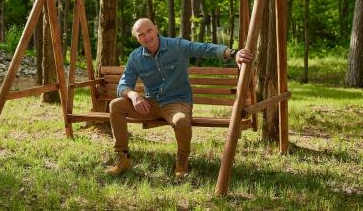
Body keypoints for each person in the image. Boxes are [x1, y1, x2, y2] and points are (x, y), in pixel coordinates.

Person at [106, 18, 253, 178]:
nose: (147, 36)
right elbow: (123, 85)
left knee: (181, 120)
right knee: (116, 105)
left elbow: (204, 49)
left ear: (155, 28)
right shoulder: (135, 57)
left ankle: (182, 159)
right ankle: (122, 158)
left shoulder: (176, 46)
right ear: (137, 38)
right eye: (141, 34)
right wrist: (134, 95)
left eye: (149, 31)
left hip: (177, 102)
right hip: (152, 104)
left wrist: (233, 53)